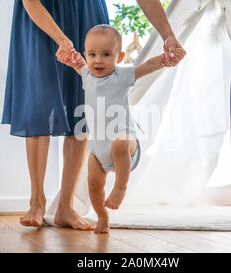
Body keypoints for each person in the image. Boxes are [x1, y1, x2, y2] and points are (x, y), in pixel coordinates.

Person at [1, 0, 186, 230]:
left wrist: (167, 35)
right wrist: (61, 39)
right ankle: (36, 201)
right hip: (39, 14)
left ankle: (66, 208)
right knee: (39, 105)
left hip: (86, 12)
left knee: (82, 107)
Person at [69, 25, 183, 233]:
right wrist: (70, 59)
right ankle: (102, 217)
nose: (98, 60)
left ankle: (120, 188)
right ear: (86, 55)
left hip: (127, 144)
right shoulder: (86, 74)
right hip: (99, 148)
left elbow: (146, 66)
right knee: (93, 184)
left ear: (119, 57)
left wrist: (164, 60)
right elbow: (77, 65)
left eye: (106, 54)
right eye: (92, 54)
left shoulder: (120, 76)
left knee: (120, 143)